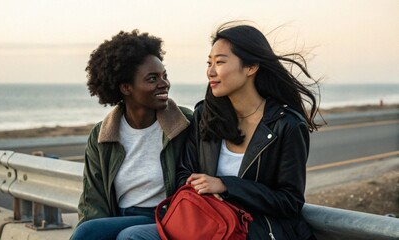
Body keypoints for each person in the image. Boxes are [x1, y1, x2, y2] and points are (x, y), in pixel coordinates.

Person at [118, 21, 320, 239]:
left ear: (251, 67)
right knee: (132, 236)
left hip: (253, 230)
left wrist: (226, 186)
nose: (210, 72)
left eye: (220, 62)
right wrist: (197, 187)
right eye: (209, 63)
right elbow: (184, 174)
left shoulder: (286, 125)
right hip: (205, 222)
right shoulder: (205, 115)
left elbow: (290, 201)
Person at [70, 29, 192, 240]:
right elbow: (93, 201)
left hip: (169, 215)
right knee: (86, 232)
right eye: (152, 78)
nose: (164, 84)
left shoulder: (184, 123)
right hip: (122, 217)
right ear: (126, 87)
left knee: (129, 236)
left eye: (165, 76)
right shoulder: (102, 136)